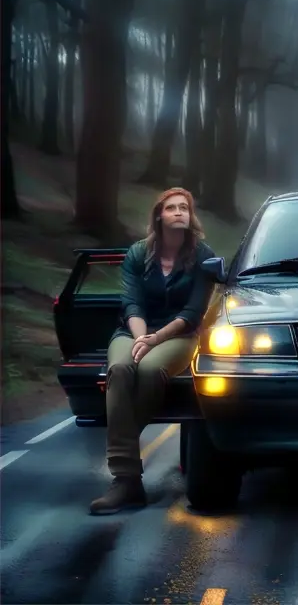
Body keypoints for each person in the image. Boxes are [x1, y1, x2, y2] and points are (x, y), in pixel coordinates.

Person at [89, 187, 216, 515]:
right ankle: (128, 481)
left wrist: (155, 341)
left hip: (179, 335)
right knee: (119, 369)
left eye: (184, 208)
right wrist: (142, 339)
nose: (179, 213)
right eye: (172, 207)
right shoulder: (137, 254)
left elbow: (192, 314)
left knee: (148, 370)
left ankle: (122, 467)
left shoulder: (203, 256)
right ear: (159, 215)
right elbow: (132, 302)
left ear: (191, 216)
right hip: (133, 329)